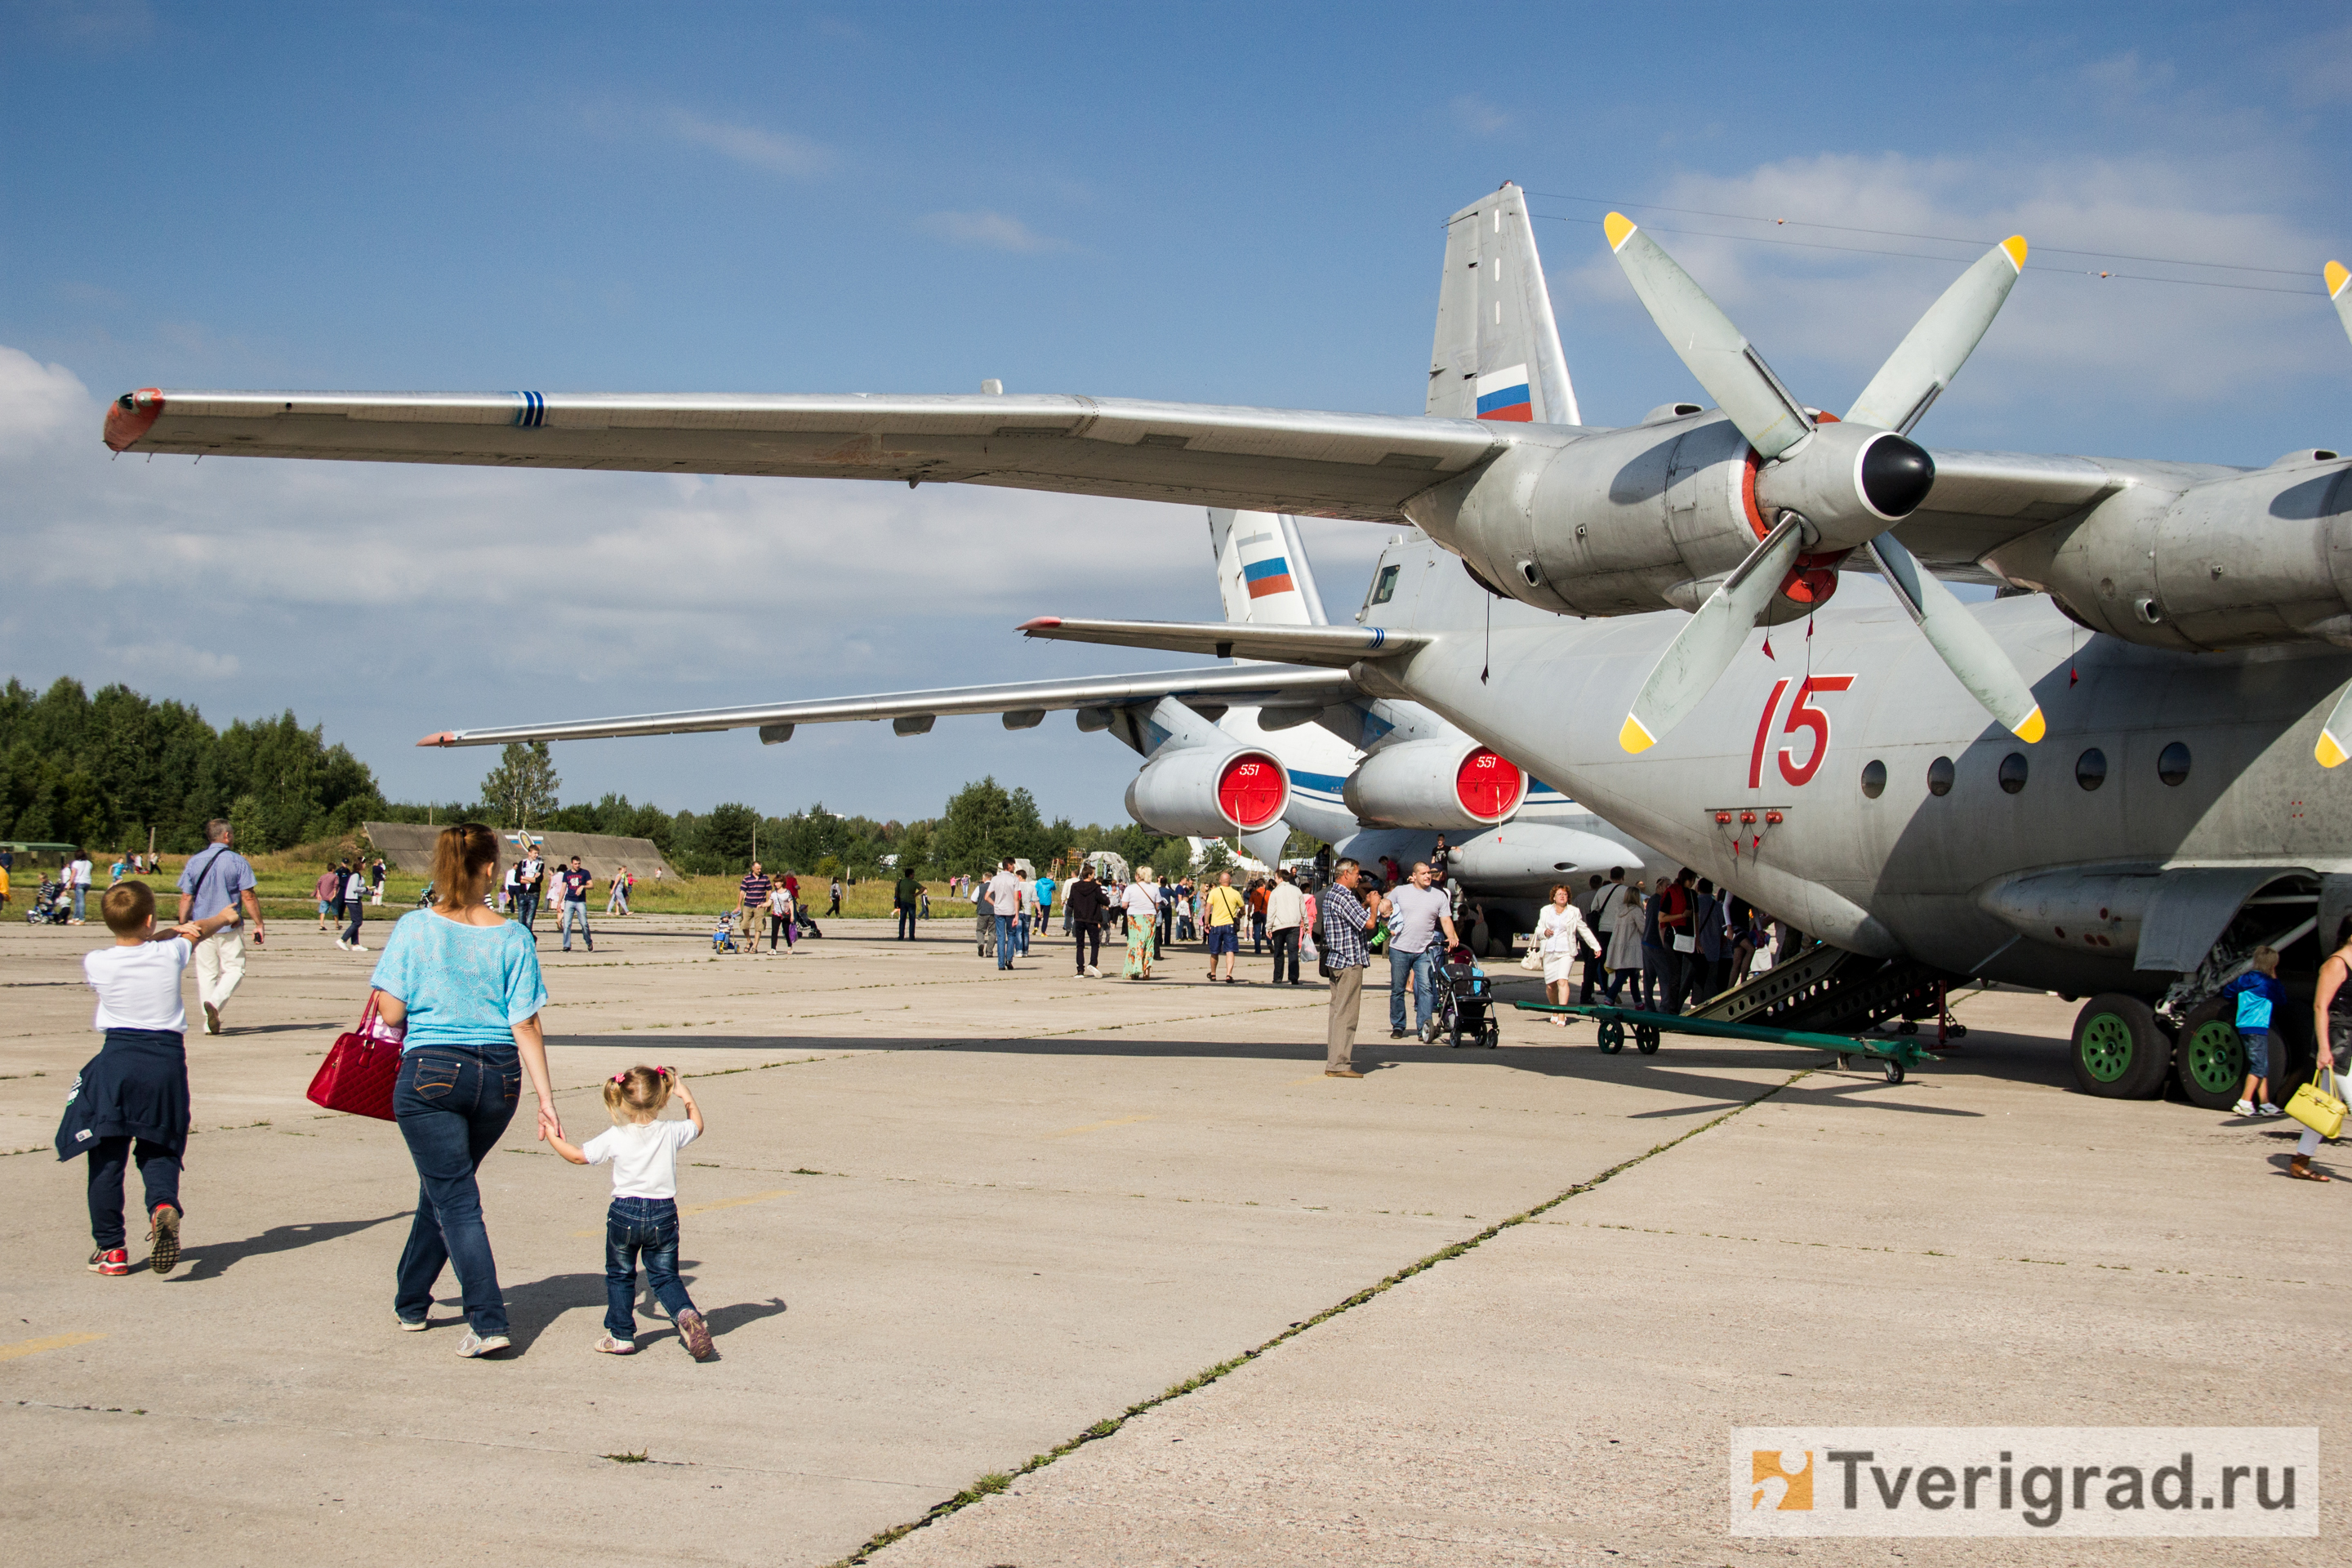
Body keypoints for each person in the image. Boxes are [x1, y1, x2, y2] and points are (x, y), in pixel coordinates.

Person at [368, 823, 558, 1356]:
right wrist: (546, 1100)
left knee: (454, 1196)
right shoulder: (514, 937)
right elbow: (526, 1023)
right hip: (498, 1079)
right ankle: (411, 1299)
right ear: (492, 869)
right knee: (445, 1187)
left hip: (431, 1073)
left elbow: (391, 1011)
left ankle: (488, 1318)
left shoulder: (414, 928)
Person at [56, 881, 230, 1277]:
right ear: (151, 919)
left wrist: (161, 934)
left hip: (117, 1061)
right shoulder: (172, 952)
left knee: (107, 1157)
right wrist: (225, 916)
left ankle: (111, 1248)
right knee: (160, 1145)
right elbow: (199, 931)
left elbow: (147, 941)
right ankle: (162, 1205)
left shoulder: (96, 961)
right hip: (165, 1064)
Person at [544, 1066, 715, 1360]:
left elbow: (576, 1156)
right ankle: (685, 1313)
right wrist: (685, 1095)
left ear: (621, 1101)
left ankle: (621, 1335)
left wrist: (551, 1135)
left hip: (625, 1212)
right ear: (662, 1099)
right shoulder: (671, 1131)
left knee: (621, 1275)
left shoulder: (616, 1136)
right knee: (664, 1276)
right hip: (663, 1213)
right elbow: (697, 1125)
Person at [176, 819, 264, 1037]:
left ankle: (208, 1024)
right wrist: (259, 924)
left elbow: (187, 896)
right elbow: (248, 895)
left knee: (207, 974)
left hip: (201, 927)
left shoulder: (195, 861)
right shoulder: (237, 861)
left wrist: (182, 923)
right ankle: (214, 1005)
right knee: (235, 969)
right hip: (228, 925)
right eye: (232, 834)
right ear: (226, 836)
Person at [2297, 916, 2352, 1180]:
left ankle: (2300, 1162)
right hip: (2336, 1040)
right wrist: (2323, 1048)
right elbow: (2320, 1006)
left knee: (2323, 1105)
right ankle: (2300, 1161)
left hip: (2348, 1040)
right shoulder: (2336, 964)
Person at [1320, 858, 1385, 1077]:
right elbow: (1368, 924)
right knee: (1347, 1014)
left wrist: (1365, 904)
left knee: (1338, 1013)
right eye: (1357, 874)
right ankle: (1339, 1064)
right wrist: (1374, 906)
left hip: (1337, 961)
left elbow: (1353, 918)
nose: (1360, 878)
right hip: (1349, 962)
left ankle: (1335, 1060)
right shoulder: (1344, 896)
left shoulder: (1333, 894)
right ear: (1346, 873)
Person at [1385, 862, 1459, 1041]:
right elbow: (1385, 906)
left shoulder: (1439, 896)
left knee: (1426, 988)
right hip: (1399, 948)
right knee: (1397, 989)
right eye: (1424, 873)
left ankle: (1425, 1028)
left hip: (1425, 950)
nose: (1428, 876)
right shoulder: (1401, 891)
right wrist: (1383, 912)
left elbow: (1446, 920)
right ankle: (1398, 1025)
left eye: (1430, 873)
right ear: (1414, 876)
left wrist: (1452, 936)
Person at [2222, 947, 2286, 1117]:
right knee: (2258, 1067)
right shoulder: (2267, 983)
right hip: (2258, 1026)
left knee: (2261, 1064)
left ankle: (2265, 1103)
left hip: (2243, 1025)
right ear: (2272, 964)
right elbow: (2282, 999)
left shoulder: (2244, 979)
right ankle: (2244, 1102)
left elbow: (2227, 992)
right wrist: (2275, 978)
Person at [1534, 882, 1605, 1027]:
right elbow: (1538, 929)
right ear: (1553, 897)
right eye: (1559, 894)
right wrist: (1544, 932)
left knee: (1562, 981)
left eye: (1565, 895)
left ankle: (1562, 1014)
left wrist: (1595, 946)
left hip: (1566, 951)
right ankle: (1554, 1009)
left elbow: (1583, 929)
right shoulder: (1545, 911)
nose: (1562, 896)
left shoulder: (1573, 911)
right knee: (1551, 986)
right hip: (1549, 951)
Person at [1604, 877, 1646, 1006]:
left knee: (1632, 977)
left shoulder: (1620, 910)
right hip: (1632, 948)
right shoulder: (1636, 911)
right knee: (1624, 976)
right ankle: (1609, 997)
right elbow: (1643, 928)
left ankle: (1638, 1002)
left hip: (1620, 946)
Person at [1203, 869, 1247, 984]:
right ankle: (1228, 974)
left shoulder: (1214, 892)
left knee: (1214, 951)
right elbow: (1243, 909)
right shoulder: (1236, 893)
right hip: (1230, 925)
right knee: (1230, 950)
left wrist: (1206, 923)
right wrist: (1240, 914)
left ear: (1219, 881)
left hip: (1216, 925)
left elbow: (1207, 908)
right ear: (1230, 881)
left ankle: (1213, 974)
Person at [1264, 869, 1305, 985]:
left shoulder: (1275, 892)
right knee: (1293, 952)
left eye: (1276, 878)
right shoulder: (1297, 890)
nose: (1275, 880)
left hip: (1279, 925)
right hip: (1294, 924)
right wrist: (1305, 922)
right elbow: (1303, 908)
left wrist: (1268, 927)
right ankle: (1293, 976)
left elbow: (1271, 911)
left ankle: (1278, 977)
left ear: (1280, 879)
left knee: (1279, 952)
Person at [1120, 866, 1160, 979]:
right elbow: (1158, 905)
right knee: (1148, 943)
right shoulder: (1154, 888)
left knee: (1134, 943)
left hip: (1134, 917)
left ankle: (1134, 971)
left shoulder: (1130, 888)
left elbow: (1124, 905)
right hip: (1150, 917)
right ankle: (1146, 972)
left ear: (1137, 876)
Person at [1067, 866, 1107, 977]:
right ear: (1089, 875)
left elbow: (1070, 903)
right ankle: (1093, 963)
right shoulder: (1095, 887)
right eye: (1093, 874)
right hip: (1092, 919)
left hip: (1079, 918)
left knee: (1080, 944)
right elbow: (1105, 900)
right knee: (1095, 943)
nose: (1094, 876)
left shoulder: (1075, 887)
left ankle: (1080, 970)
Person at [983, 858, 1022, 970]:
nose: (1014, 867)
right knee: (1011, 935)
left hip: (999, 911)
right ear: (1009, 866)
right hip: (1010, 910)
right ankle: (1008, 960)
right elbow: (1016, 898)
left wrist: (995, 904)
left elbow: (987, 896)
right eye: (1013, 865)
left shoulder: (995, 879)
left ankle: (1001, 964)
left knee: (1001, 937)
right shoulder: (1014, 880)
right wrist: (1017, 914)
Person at [558, 856, 594, 953]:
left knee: (584, 923)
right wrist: (559, 902)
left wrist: (583, 886)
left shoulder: (585, 873)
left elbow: (591, 885)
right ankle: (566, 945)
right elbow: (563, 888)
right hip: (569, 900)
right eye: (575, 864)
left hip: (580, 901)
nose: (577, 866)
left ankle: (589, 941)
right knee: (567, 924)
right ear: (571, 864)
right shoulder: (567, 874)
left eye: (579, 864)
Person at [737, 862, 771, 955]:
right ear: (753, 869)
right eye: (758, 869)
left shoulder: (765, 878)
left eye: (760, 869)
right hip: (748, 905)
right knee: (744, 924)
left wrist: (768, 904)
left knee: (759, 926)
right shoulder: (747, 879)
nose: (760, 871)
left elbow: (769, 891)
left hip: (760, 906)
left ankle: (755, 947)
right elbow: (742, 892)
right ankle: (749, 941)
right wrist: (739, 905)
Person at [338, 858, 370, 951]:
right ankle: (343, 940)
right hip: (352, 900)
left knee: (355, 922)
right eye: (364, 864)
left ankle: (355, 944)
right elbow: (355, 888)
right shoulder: (356, 875)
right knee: (357, 922)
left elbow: (360, 889)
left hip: (355, 899)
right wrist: (366, 889)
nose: (365, 865)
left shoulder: (358, 875)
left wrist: (371, 893)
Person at [515, 846, 545, 933]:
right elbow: (517, 879)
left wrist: (524, 877)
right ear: (529, 853)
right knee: (521, 920)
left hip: (534, 894)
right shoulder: (522, 863)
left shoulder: (540, 864)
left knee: (529, 921)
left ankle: (528, 938)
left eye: (538, 853)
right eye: (535, 853)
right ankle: (522, 937)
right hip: (522, 893)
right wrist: (531, 879)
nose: (537, 855)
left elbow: (538, 880)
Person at [767, 874, 796, 951]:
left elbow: (791, 904)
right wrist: (760, 905)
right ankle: (773, 948)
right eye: (775, 882)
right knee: (774, 931)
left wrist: (792, 915)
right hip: (776, 914)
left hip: (785, 915)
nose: (775, 884)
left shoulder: (787, 893)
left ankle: (789, 946)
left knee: (786, 931)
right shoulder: (773, 894)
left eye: (777, 882)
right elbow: (769, 903)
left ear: (782, 882)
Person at [893, 866, 923, 940]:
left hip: (903, 902)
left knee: (902, 920)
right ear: (910, 875)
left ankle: (901, 936)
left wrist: (898, 896)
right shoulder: (914, 883)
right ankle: (911, 936)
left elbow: (896, 891)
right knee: (912, 920)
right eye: (913, 874)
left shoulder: (901, 882)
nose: (914, 875)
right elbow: (923, 888)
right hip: (911, 902)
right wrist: (916, 894)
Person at [66, 847, 92, 924]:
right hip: (87, 883)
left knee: (80, 901)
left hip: (79, 883)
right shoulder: (89, 863)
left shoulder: (76, 863)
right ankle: (75, 917)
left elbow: (73, 874)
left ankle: (81, 919)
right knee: (78, 900)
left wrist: (70, 883)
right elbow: (90, 873)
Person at [314, 864, 341, 932]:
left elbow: (318, 884)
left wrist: (319, 893)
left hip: (324, 896)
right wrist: (334, 895)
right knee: (335, 911)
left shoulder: (323, 876)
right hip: (332, 896)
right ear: (333, 869)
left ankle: (321, 925)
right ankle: (337, 925)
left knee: (323, 911)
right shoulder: (335, 877)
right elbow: (336, 886)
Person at [1033, 869, 1057, 935]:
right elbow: (1054, 888)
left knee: (1038, 914)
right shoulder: (1052, 883)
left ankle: (1036, 926)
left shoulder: (1039, 881)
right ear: (1051, 876)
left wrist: (1033, 899)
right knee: (1046, 917)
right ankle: (1043, 932)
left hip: (1039, 901)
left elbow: (1035, 890)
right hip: (1047, 902)